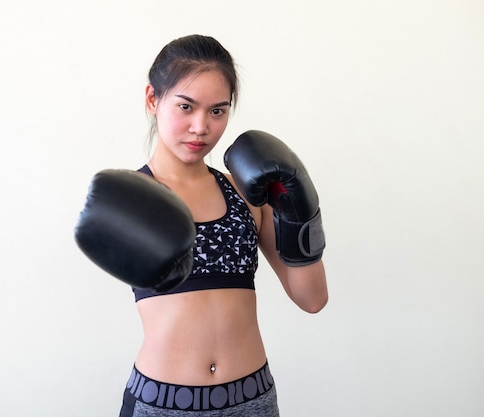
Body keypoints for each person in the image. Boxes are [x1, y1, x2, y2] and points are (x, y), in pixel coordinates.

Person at [75, 34, 328, 416]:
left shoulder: (245, 193)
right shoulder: (130, 197)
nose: (201, 127)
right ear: (152, 100)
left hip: (252, 398)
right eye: (186, 106)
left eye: (217, 111)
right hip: (162, 403)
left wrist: (300, 213)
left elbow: (312, 299)